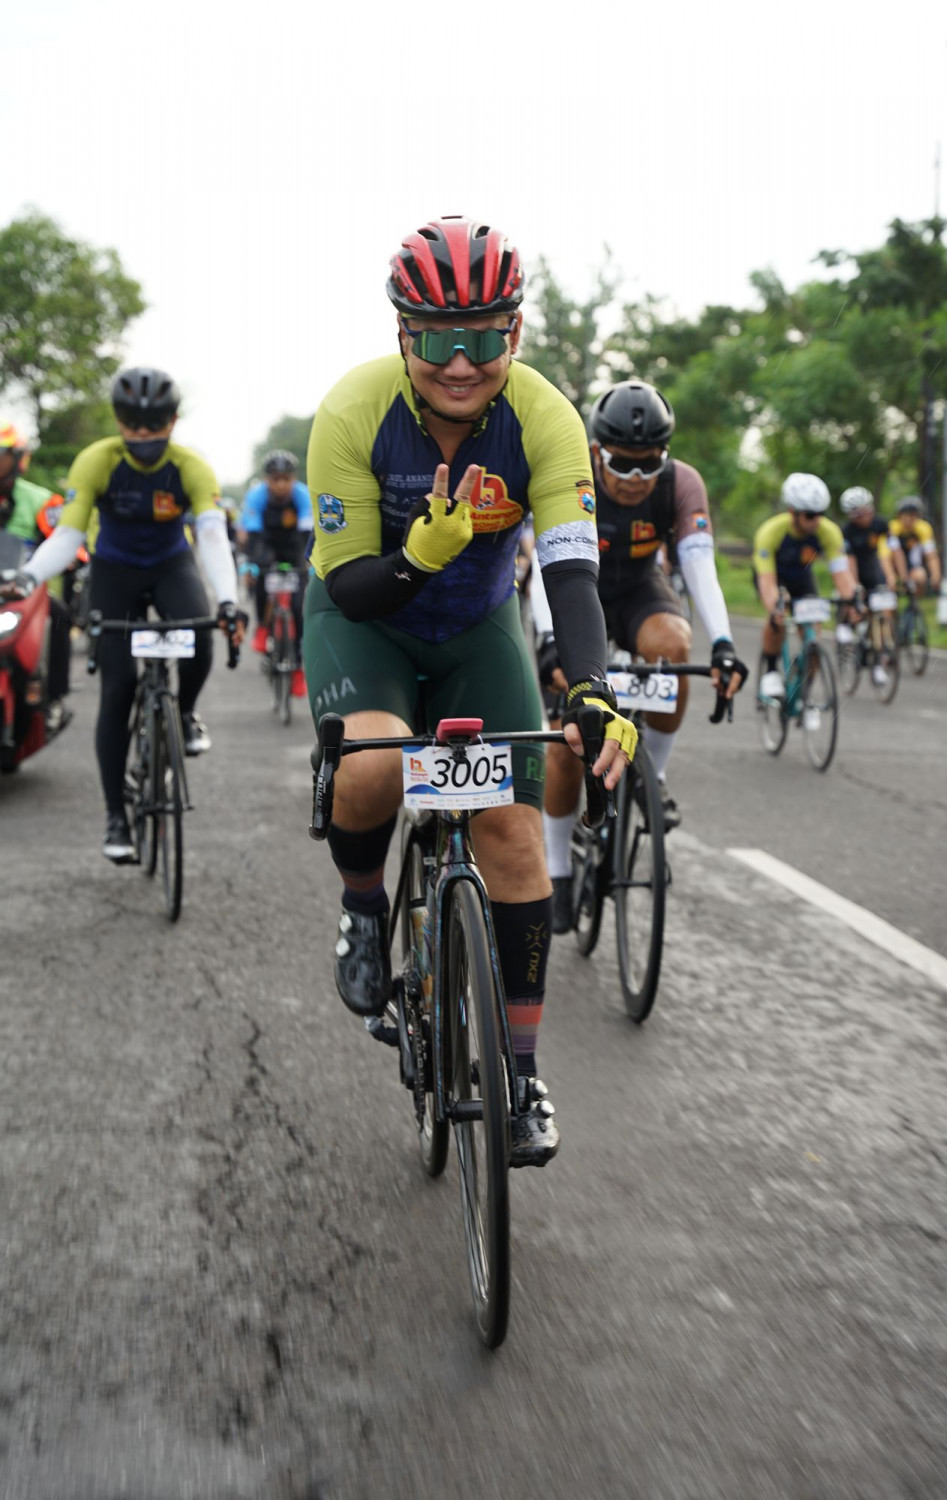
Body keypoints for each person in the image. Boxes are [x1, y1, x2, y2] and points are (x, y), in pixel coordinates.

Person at [303, 215, 637, 1167]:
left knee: (515, 838)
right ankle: (364, 907)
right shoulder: (353, 410)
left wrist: (592, 689)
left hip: (479, 629)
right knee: (373, 767)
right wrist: (418, 557)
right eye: (439, 340)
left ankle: (520, 1075)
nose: (460, 364)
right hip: (365, 621)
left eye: (484, 340)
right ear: (402, 333)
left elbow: (571, 573)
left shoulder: (546, 418)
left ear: (515, 333)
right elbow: (351, 585)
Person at [0, 368, 244, 859]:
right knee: (118, 688)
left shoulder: (190, 466)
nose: (143, 435)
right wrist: (28, 576)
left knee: (200, 640)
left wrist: (228, 601)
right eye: (133, 424)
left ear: (173, 420)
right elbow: (68, 535)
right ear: (118, 420)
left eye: (154, 425)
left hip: (172, 566)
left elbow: (212, 535)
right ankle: (116, 817)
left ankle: (186, 713)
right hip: (114, 572)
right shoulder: (97, 460)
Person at [532, 381, 746, 933]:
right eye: (620, 463)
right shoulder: (570, 470)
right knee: (563, 743)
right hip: (573, 590)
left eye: (647, 464)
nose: (634, 478)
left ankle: (656, 776)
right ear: (596, 452)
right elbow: (542, 562)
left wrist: (723, 643)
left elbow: (698, 566)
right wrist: (550, 639)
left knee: (674, 648)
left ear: (664, 456)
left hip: (638, 592)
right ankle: (557, 868)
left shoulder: (682, 484)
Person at [753, 473, 858, 699]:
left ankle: (803, 697)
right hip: (774, 576)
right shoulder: (771, 532)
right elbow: (767, 581)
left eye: (821, 514)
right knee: (777, 617)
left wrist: (853, 601)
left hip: (802, 578)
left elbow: (841, 574)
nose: (816, 520)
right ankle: (770, 671)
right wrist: (775, 606)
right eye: (810, 515)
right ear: (792, 511)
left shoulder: (829, 532)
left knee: (813, 639)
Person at [0, 423, 73, 729]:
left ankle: (54, 697)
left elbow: (65, 542)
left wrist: (72, 559)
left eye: (1, 456)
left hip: (23, 591)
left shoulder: (42, 500)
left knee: (59, 616)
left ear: (19, 459)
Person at [238, 449, 313, 695]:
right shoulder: (256, 495)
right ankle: (262, 626)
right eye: (275, 479)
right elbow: (253, 536)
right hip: (267, 544)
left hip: (293, 546)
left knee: (298, 607)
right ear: (267, 479)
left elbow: (307, 535)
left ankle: (298, 669)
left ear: (294, 478)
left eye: (286, 479)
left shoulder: (302, 494)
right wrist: (251, 563)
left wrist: (310, 563)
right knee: (261, 576)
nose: (281, 485)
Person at [838, 485, 901, 687]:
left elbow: (895, 550)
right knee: (854, 602)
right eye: (860, 514)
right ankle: (846, 624)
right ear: (851, 516)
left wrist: (896, 576)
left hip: (873, 569)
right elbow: (850, 562)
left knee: (883, 611)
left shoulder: (881, 524)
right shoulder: (846, 531)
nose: (866, 517)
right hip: (852, 569)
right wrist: (855, 586)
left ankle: (878, 662)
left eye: (868, 511)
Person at [889, 496, 941, 595]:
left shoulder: (923, 528)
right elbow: (890, 555)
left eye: (914, 515)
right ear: (899, 515)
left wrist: (936, 575)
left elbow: (931, 554)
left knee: (920, 576)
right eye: (908, 515)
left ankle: (914, 601)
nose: (911, 518)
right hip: (893, 565)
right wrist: (895, 576)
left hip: (912, 564)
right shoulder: (892, 528)